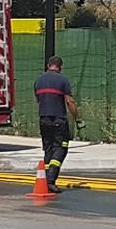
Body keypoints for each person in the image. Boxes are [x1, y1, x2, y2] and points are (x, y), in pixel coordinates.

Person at [34, 56, 84, 193]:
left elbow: (38, 99)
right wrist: (78, 119)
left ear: (48, 65)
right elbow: (70, 102)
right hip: (59, 120)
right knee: (61, 148)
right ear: (60, 66)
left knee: (48, 149)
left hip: (43, 119)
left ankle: (44, 179)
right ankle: (50, 181)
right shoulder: (63, 80)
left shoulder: (38, 80)